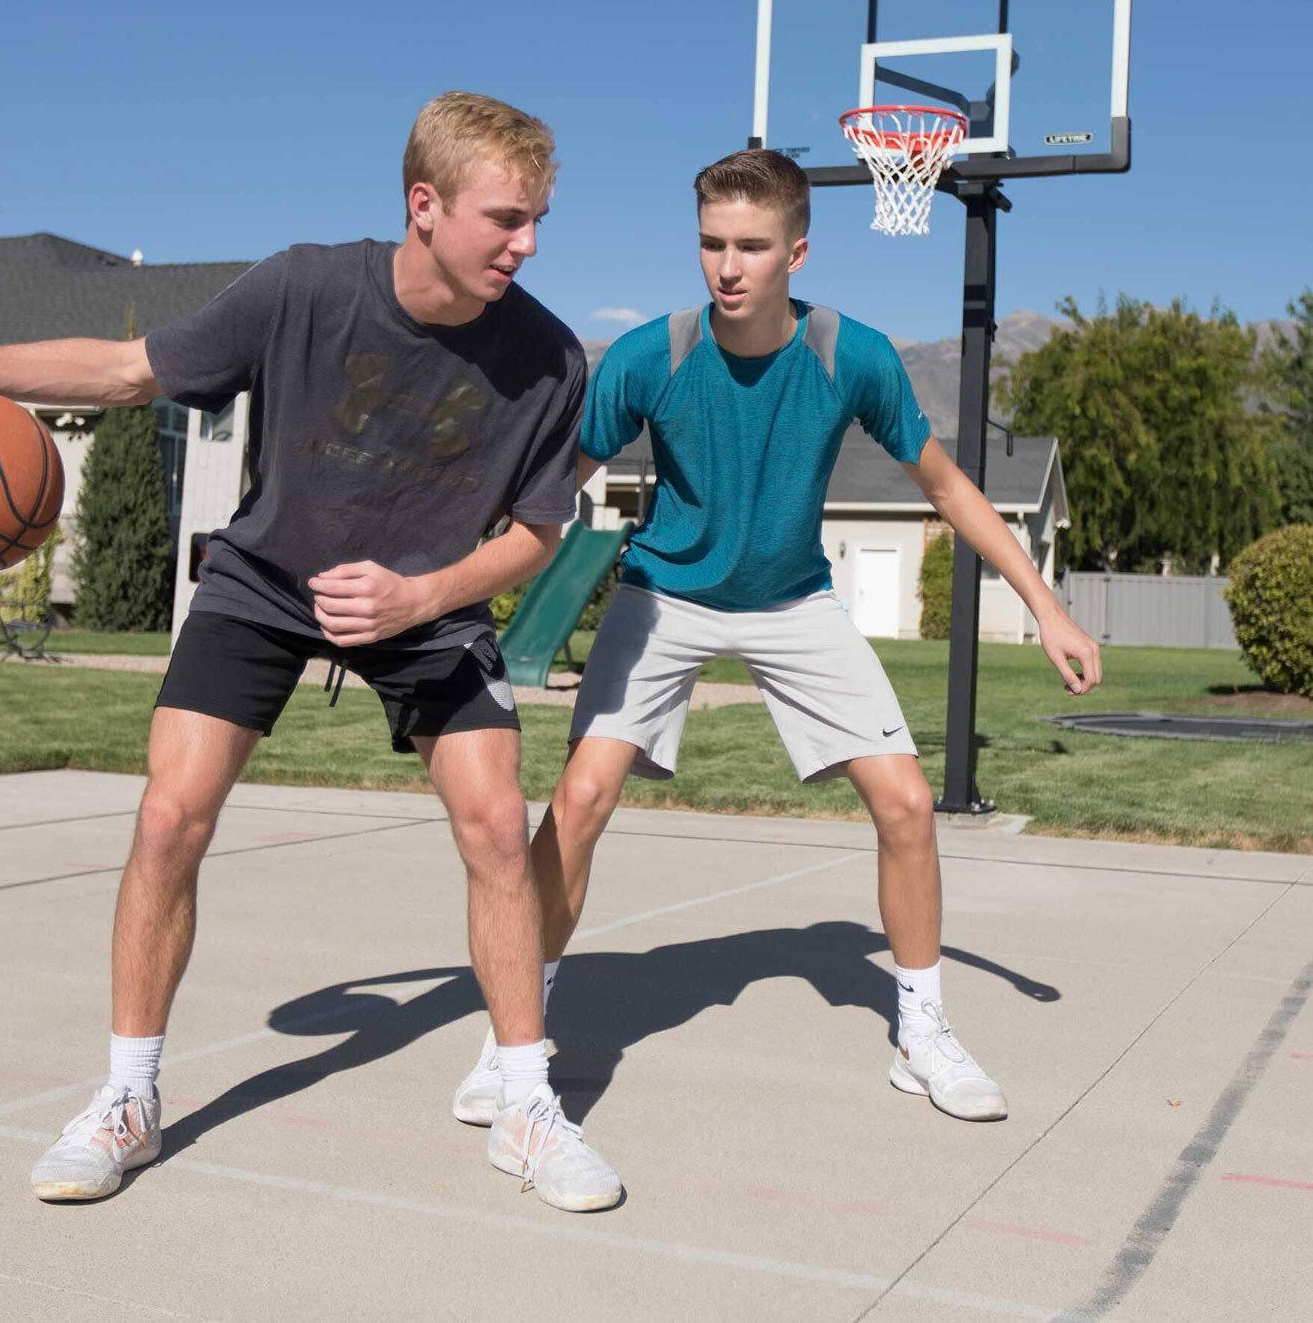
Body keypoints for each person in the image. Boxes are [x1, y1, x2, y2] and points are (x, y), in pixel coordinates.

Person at [0, 92, 622, 1213]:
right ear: (425, 205)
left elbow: (538, 534)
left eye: (539, 219)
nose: (530, 243)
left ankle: (524, 1106)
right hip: (267, 583)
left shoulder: (549, 357)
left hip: (426, 601)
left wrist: (423, 593)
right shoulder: (305, 286)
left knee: (499, 824)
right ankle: (128, 1099)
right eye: (507, 218)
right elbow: (130, 372)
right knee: (170, 816)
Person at [453, 147, 1101, 1129]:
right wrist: (462, 566)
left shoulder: (850, 355)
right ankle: (515, 1037)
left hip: (794, 599)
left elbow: (947, 487)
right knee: (579, 798)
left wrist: (1046, 606)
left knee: (908, 804)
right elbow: (552, 488)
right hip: (665, 594)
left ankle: (922, 1034)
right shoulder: (653, 356)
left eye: (751, 246)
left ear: (796, 252)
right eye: (711, 243)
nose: (728, 266)